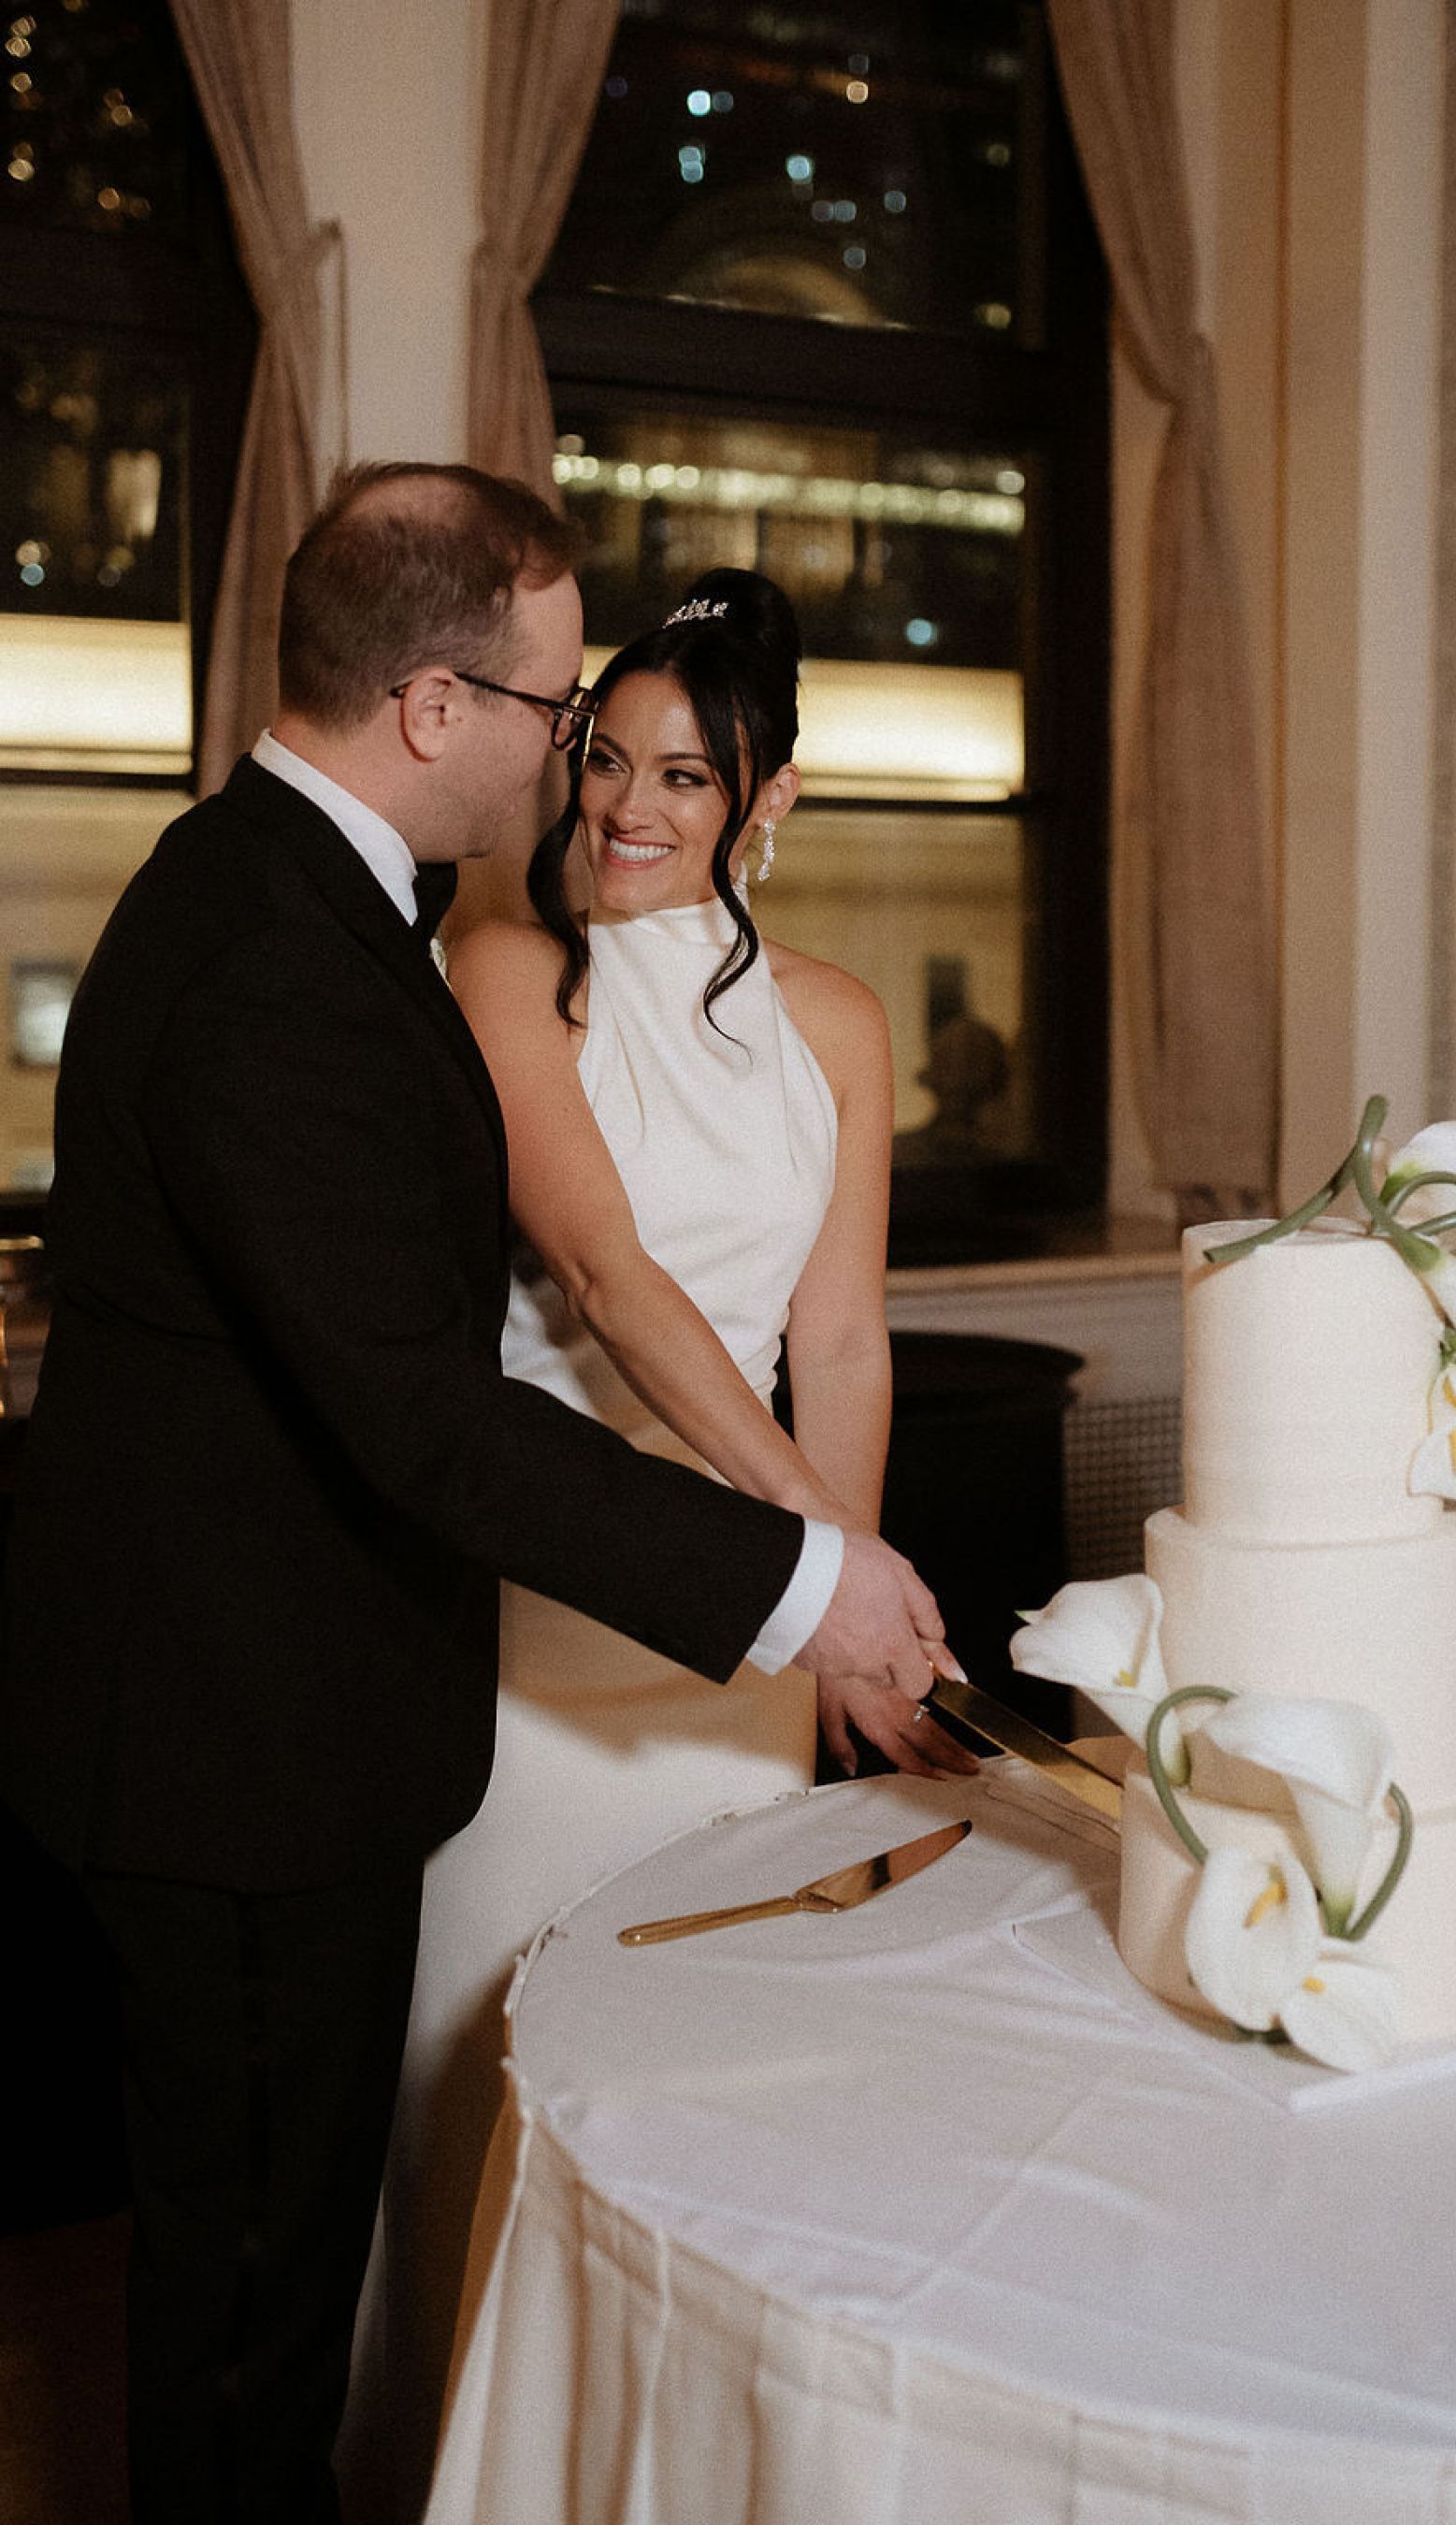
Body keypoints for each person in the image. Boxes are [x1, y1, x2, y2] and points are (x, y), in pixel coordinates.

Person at [0, 464, 962, 2525]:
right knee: (259, 2301)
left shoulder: (288, 896)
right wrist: (807, 1581)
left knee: (265, 2274)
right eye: (554, 713)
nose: (571, 766)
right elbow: (435, 1418)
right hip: (237, 1743)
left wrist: (812, 1584)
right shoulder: (287, 950)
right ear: (437, 709)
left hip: (285, 1710)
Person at [350, 566, 977, 2515]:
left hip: (753, 1662)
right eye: (603, 758)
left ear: (768, 801)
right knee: (500, 2067)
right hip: (547, 1623)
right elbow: (612, 1280)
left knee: (722, 2094)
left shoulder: (843, 1024)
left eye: (685, 778)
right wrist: (827, 1584)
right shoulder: (494, 969)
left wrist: (837, 1603)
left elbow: (844, 1336)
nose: (627, 808)